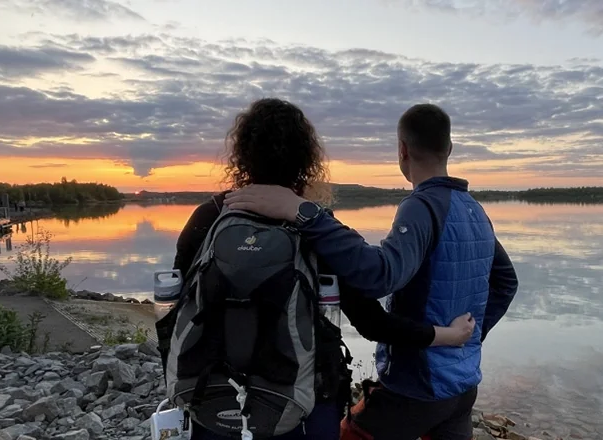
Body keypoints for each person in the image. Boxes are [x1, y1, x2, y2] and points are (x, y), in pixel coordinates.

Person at [162, 98, 477, 440]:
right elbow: (373, 323)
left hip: (211, 397)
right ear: (306, 158)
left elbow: (175, 309)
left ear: (241, 153)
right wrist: (443, 335)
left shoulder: (209, 217)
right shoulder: (315, 226)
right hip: (304, 404)